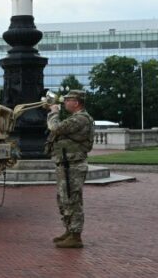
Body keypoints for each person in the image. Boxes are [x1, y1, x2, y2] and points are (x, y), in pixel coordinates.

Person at [44, 89, 95, 248]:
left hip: (73, 165)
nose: (64, 102)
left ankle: (75, 235)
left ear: (77, 102)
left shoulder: (81, 119)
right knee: (64, 199)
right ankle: (69, 230)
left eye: (68, 100)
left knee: (72, 200)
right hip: (66, 164)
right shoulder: (76, 118)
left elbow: (55, 128)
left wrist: (53, 112)